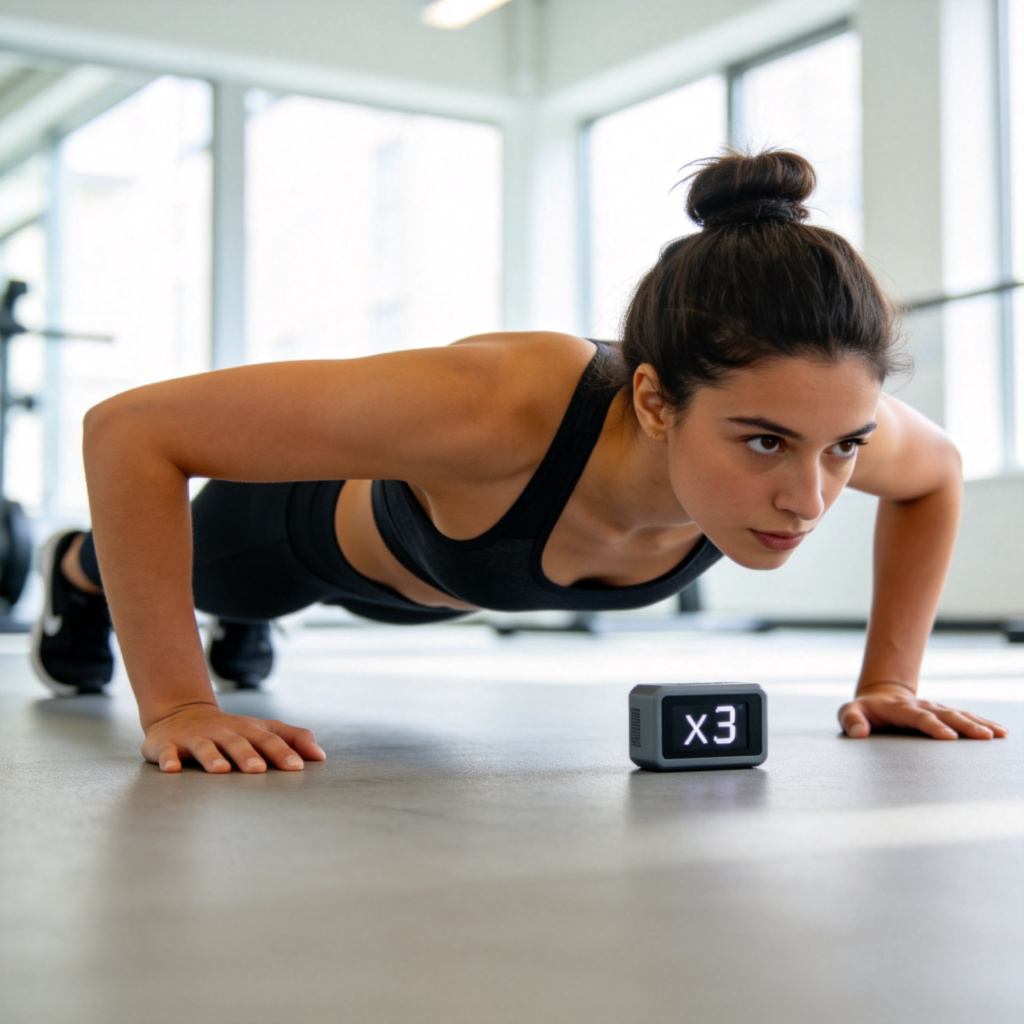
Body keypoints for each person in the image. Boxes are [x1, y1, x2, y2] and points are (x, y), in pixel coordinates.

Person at [30, 149, 1007, 773]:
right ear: (655, 398)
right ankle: (78, 571)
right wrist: (176, 703)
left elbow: (935, 474)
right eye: (762, 442)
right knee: (224, 590)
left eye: (843, 446)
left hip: (443, 585)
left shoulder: (821, 411)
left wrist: (888, 679)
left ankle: (241, 638)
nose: (807, 498)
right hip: (294, 536)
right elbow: (131, 431)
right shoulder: (496, 403)